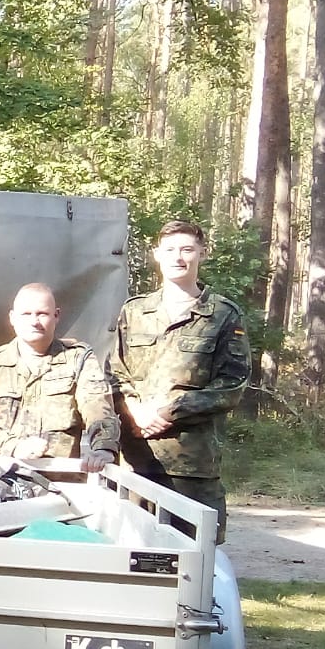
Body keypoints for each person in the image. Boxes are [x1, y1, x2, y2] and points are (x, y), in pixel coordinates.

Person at [107, 220, 251, 539]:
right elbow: (115, 371)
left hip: (192, 464)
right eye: (170, 250)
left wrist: (168, 412)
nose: (178, 257)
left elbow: (232, 385)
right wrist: (134, 409)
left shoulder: (223, 315)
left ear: (202, 253)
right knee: (131, 550)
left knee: (194, 559)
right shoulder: (134, 311)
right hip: (136, 460)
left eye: (187, 249)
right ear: (157, 255)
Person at [0, 283, 119, 471]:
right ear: (12, 318)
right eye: (26, 314)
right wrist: (13, 446)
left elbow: (97, 405)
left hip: (60, 481)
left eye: (42, 313)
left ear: (56, 315)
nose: (34, 321)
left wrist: (103, 448)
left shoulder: (78, 358)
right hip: (1, 480)